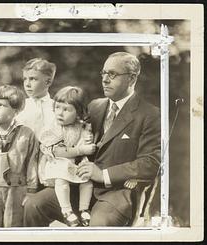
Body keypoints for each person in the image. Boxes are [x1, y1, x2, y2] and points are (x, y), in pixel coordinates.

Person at [24, 52, 160, 227]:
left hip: (116, 194)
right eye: (103, 73)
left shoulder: (150, 114)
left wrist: (102, 175)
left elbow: (150, 163)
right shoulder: (95, 106)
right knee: (33, 205)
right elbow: (67, 134)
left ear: (132, 79)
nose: (105, 79)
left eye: (112, 74)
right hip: (77, 184)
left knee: (99, 224)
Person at [0, 85, 39, 227]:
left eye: (2, 105)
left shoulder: (27, 134)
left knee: (14, 226)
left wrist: (31, 191)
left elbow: (32, 165)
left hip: (17, 191)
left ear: (16, 111)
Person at [39, 86, 96, 227]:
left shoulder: (80, 126)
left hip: (75, 162)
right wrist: (82, 149)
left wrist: (87, 139)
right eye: (57, 108)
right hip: (58, 162)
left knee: (87, 181)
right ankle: (67, 211)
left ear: (78, 113)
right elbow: (58, 151)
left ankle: (84, 208)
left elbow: (84, 140)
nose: (60, 113)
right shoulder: (53, 128)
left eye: (66, 109)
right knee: (61, 180)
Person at [16, 58, 57, 140]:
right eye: (25, 79)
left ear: (48, 82)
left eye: (33, 79)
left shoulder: (57, 107)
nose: (27, 84)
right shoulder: (19, 107)